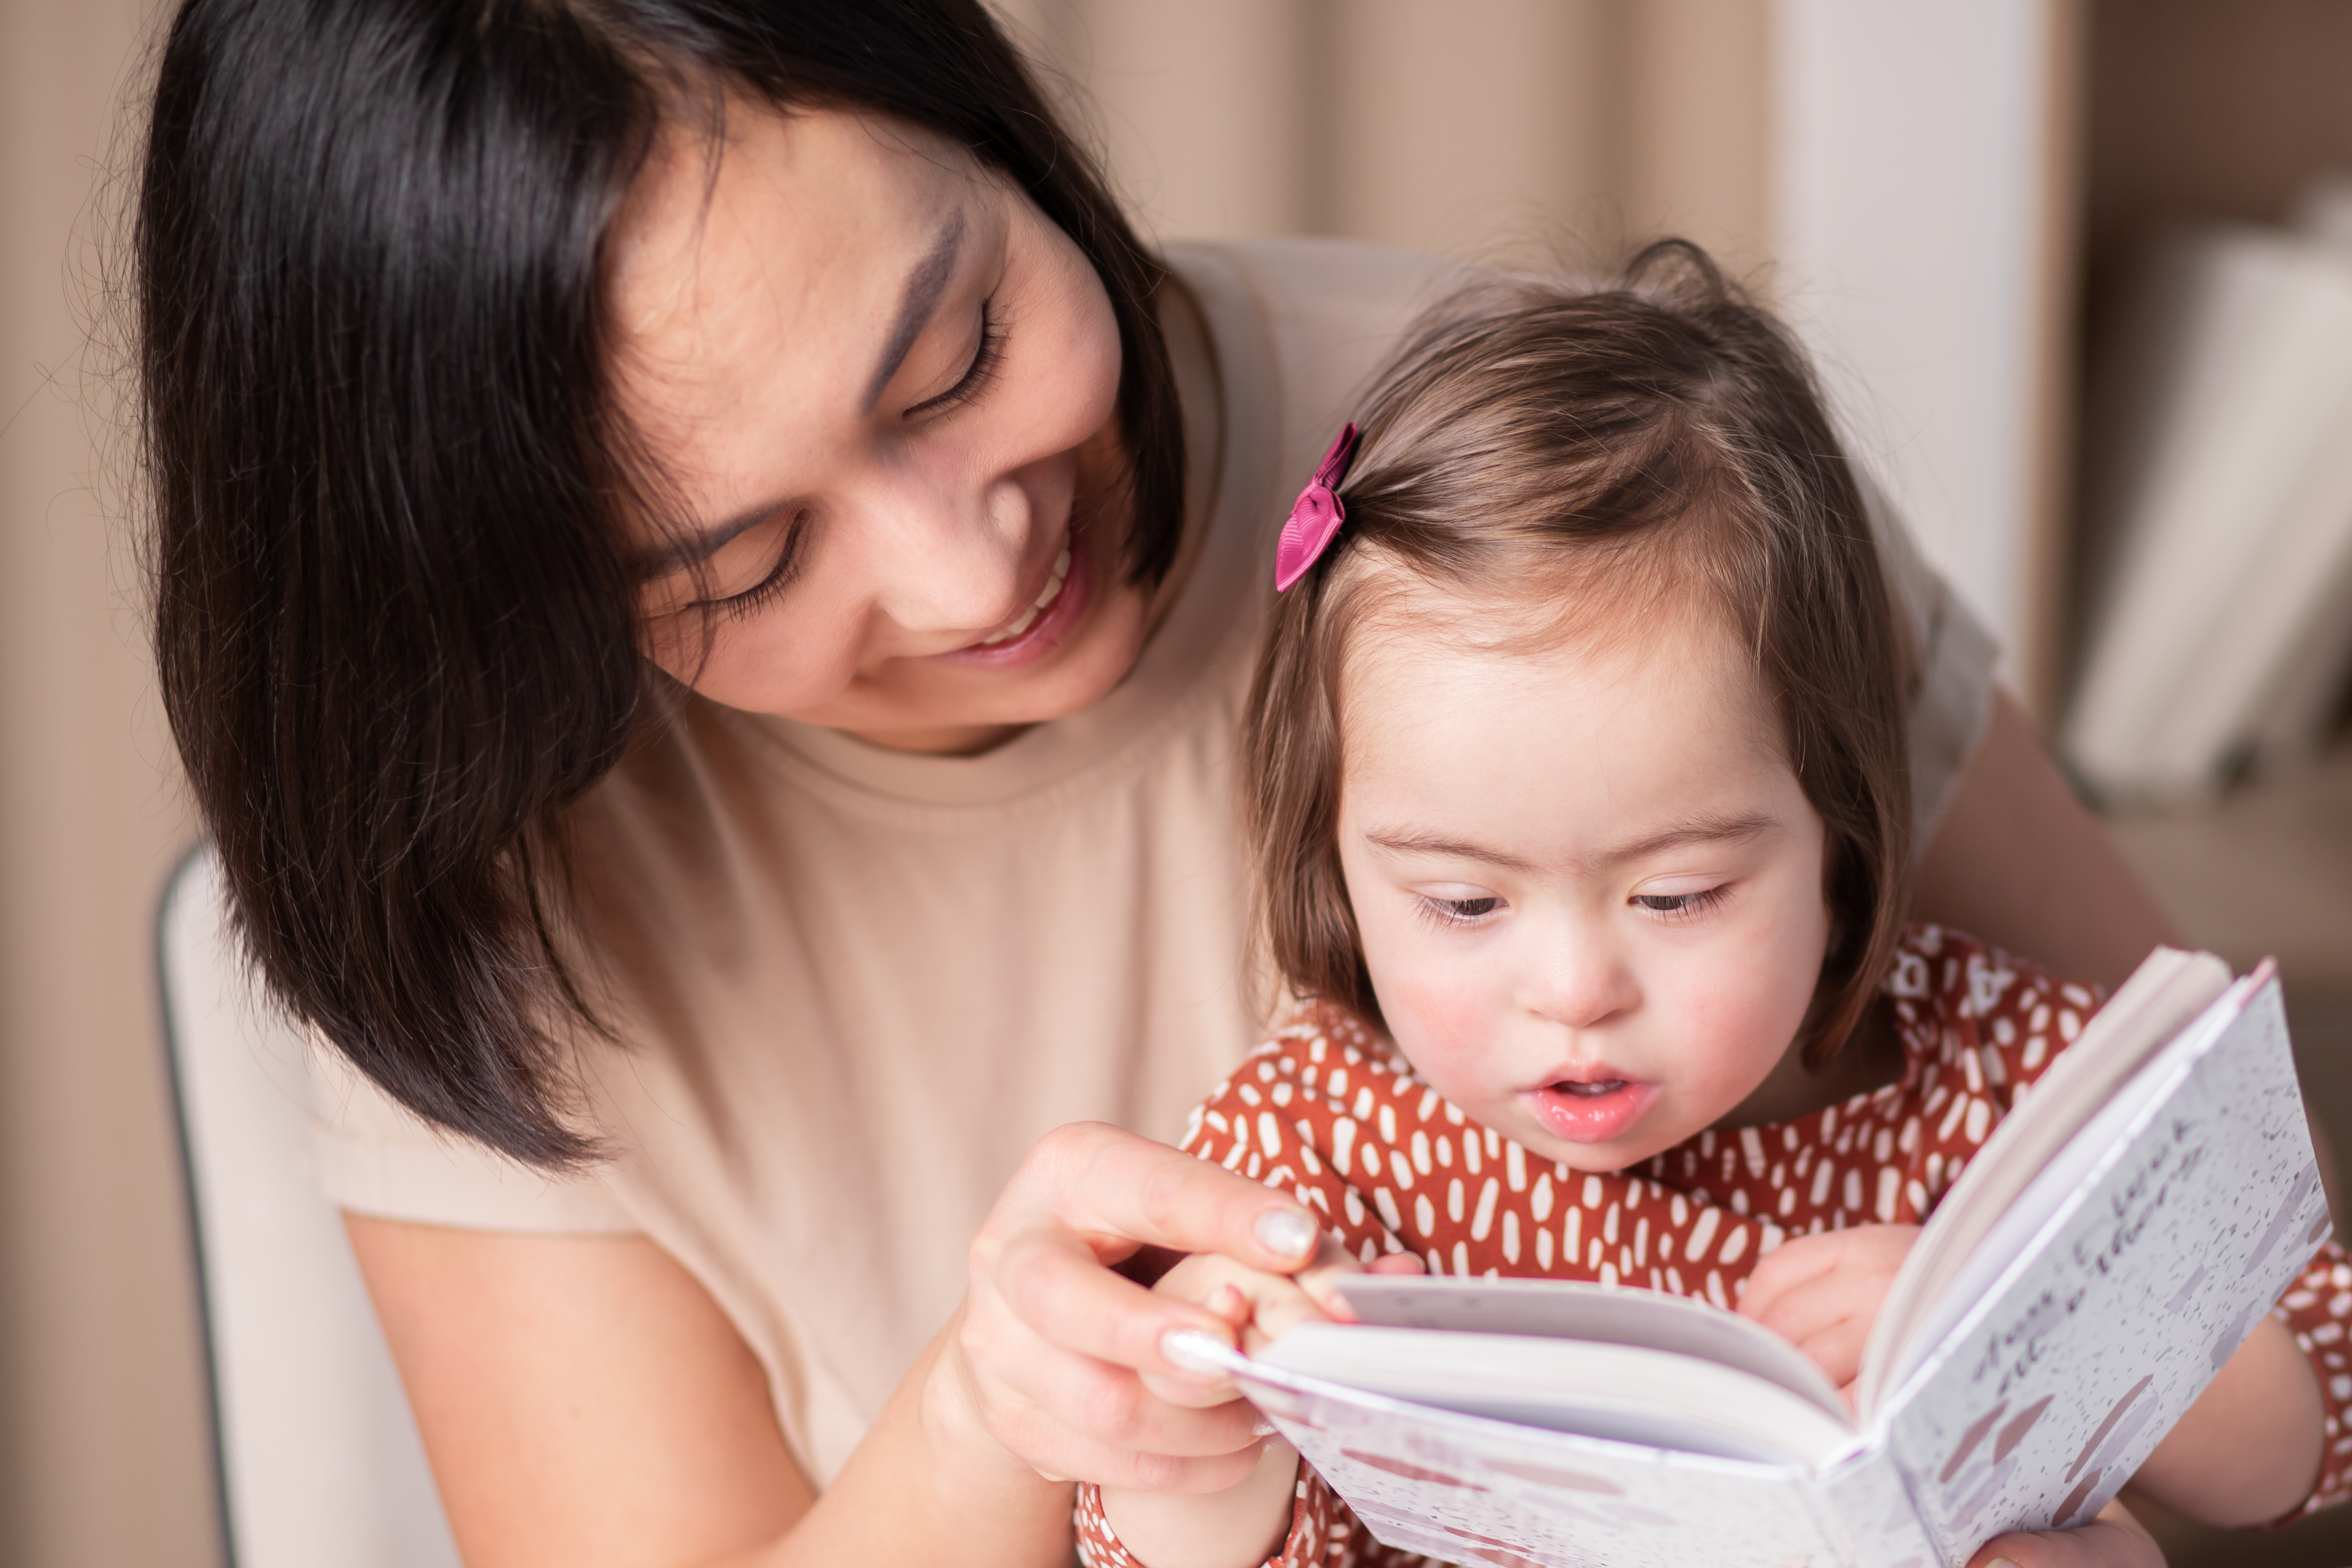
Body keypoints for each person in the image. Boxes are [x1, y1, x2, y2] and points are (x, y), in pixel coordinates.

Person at [134, 2, 2187, 1564]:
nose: (970, 565)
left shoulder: (1585, 487)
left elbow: (2199, 1212)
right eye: (741, 564)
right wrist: (990, 1419)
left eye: (954, 354)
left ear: (990, 122)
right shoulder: (514, 908)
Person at [1071, 254, 2348, 1568]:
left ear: (1834, 834)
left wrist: (2024, 1335)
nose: (1573, 987)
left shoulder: (1993, 1071)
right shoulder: (1313, 1154)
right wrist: (1208, 1420)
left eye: (1675, 893)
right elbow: (1137, 1544)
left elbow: (2304, 1426)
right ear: (1333, 861)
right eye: (1461, 900)